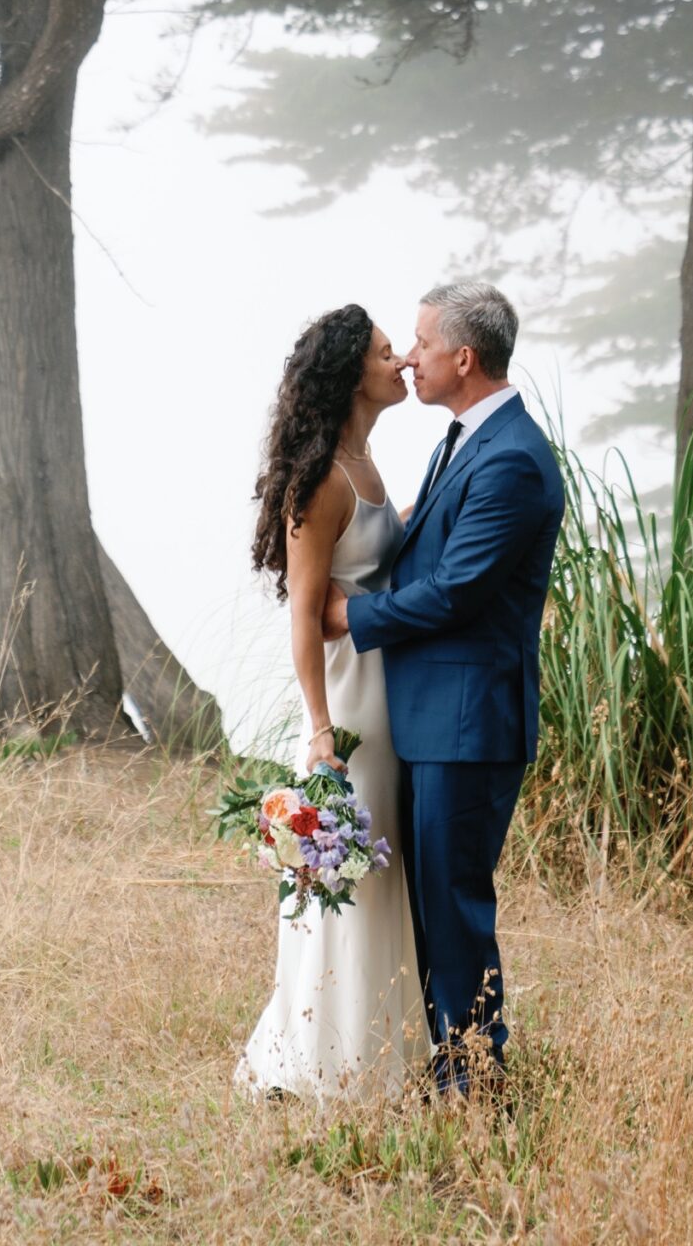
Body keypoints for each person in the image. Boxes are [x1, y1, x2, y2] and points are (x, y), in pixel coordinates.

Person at [324, 279, 564, 1094]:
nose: (410, 357)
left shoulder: (513, 462)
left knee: (454, 907)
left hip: (469, 725)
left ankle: (474, 1082)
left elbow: (458, 589)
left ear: (464, 358)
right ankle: (444, 1063)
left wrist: (348, 619)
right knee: (430, 902)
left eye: (422, 343)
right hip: (431, 721)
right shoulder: (463, 439)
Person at [236, 305, 430, 1100]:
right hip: (350, 705)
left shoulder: (369, 463)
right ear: (354, 372)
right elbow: (306, 617)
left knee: (388, 877)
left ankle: (389, 1049)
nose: (404, 362)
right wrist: (319, 732)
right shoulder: (321, 479)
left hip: (392, 690)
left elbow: (380, 556)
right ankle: (328, 1063)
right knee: (350, 879)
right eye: (389, 353)